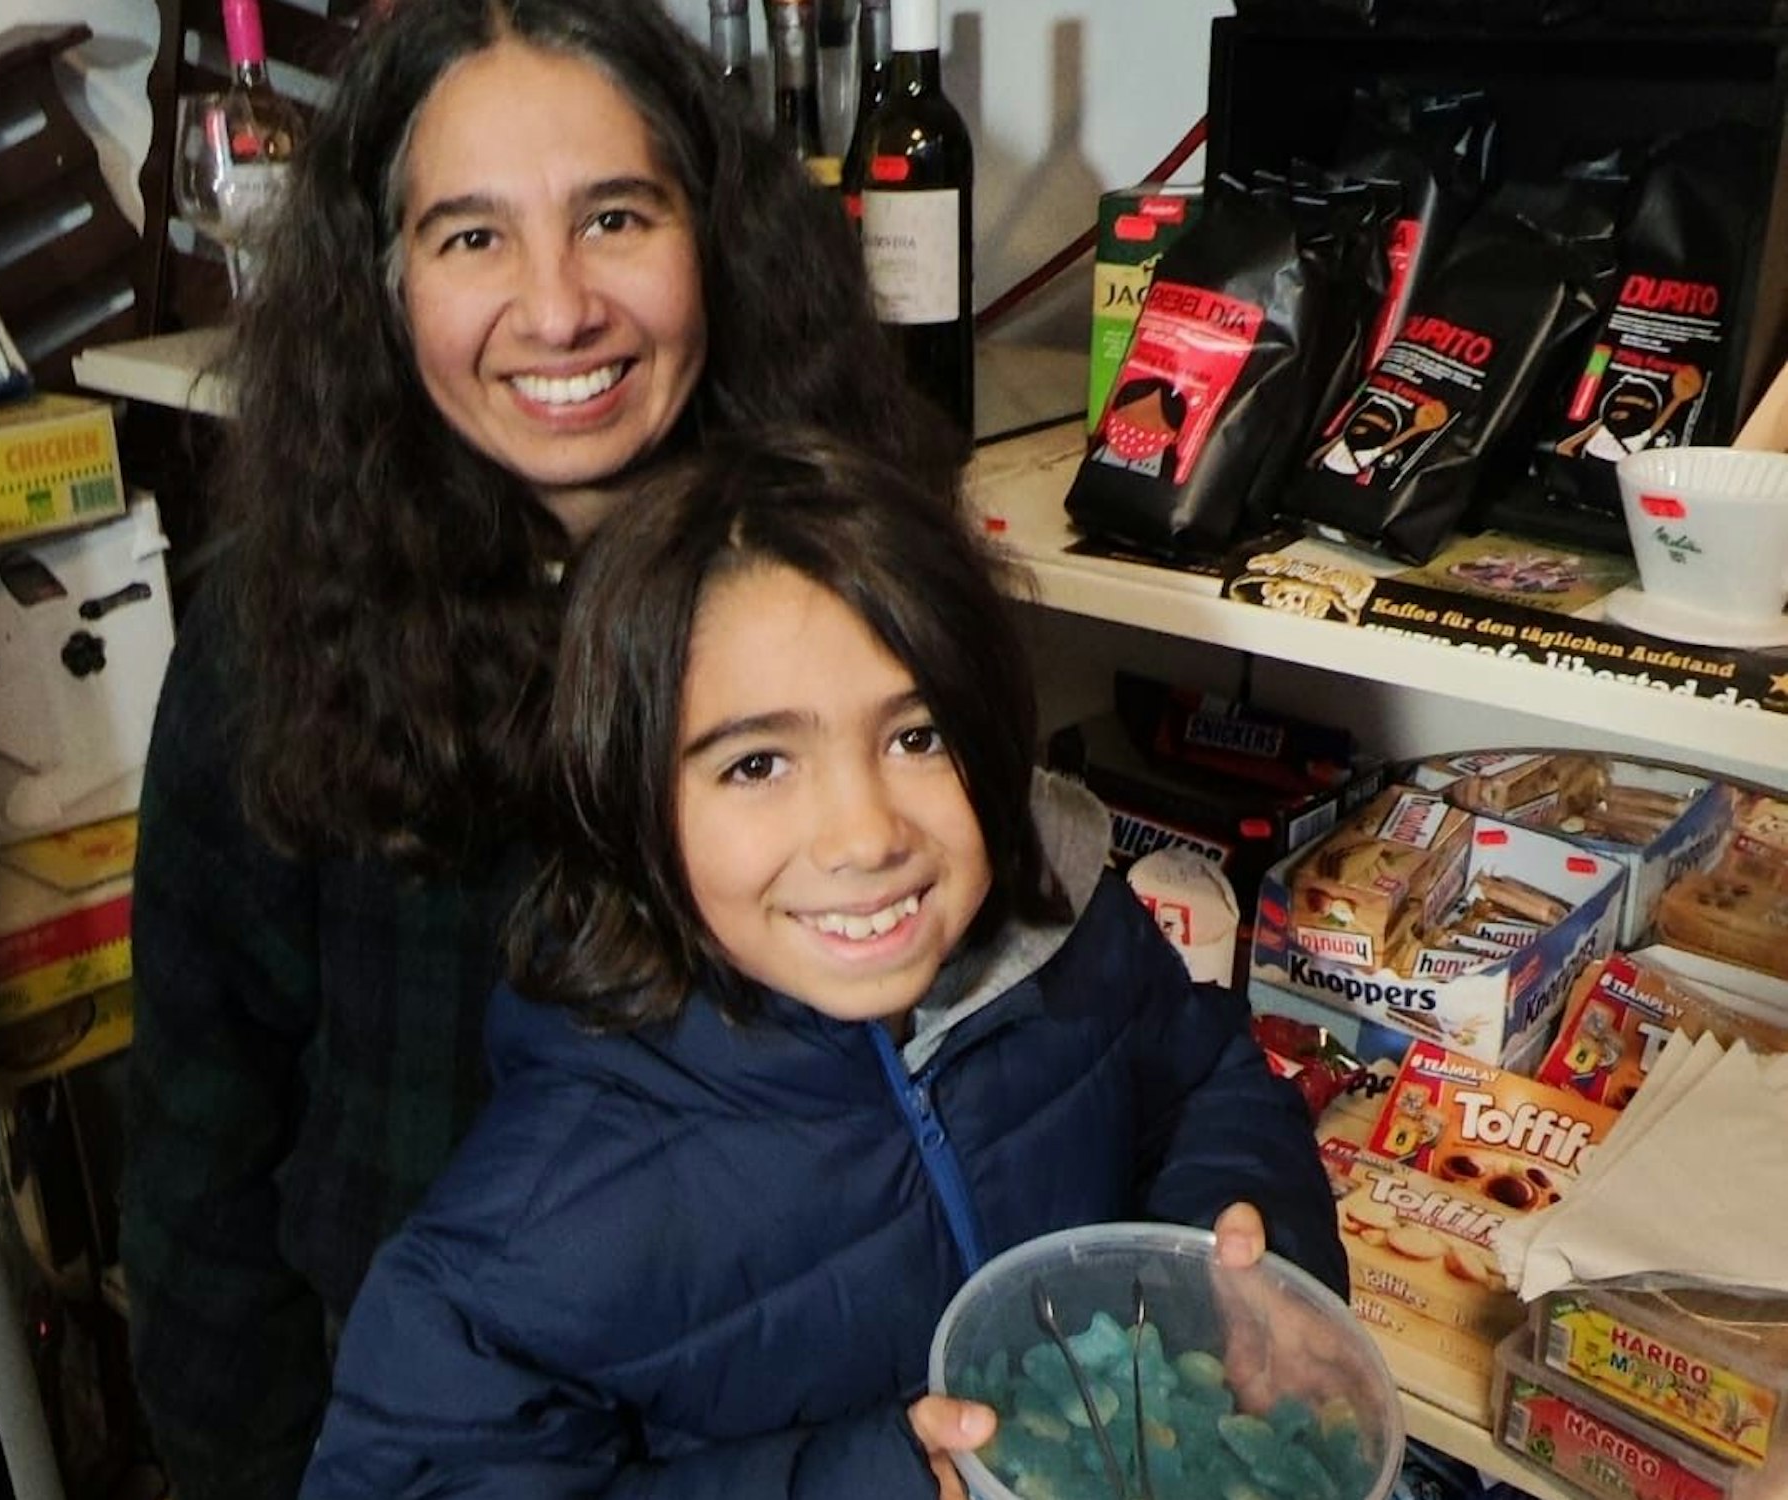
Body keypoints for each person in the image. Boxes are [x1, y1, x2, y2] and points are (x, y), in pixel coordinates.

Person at [118, 0, 966, 1493]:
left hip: (801, 1413)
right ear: (383, 284)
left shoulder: (852, 571)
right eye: (471, 237)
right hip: (437, 1434)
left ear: (715, 238)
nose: (560, 307)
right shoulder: (274, 628)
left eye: (615, 217)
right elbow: (202, 1117)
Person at [299, 431, 1350, 1500]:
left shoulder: (1073, 939)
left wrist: (1251, 1238)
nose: (862, 836)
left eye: (917, 736)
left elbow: (1198, 1076)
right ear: (633, 804)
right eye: (756, 763)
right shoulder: (546, 1209)